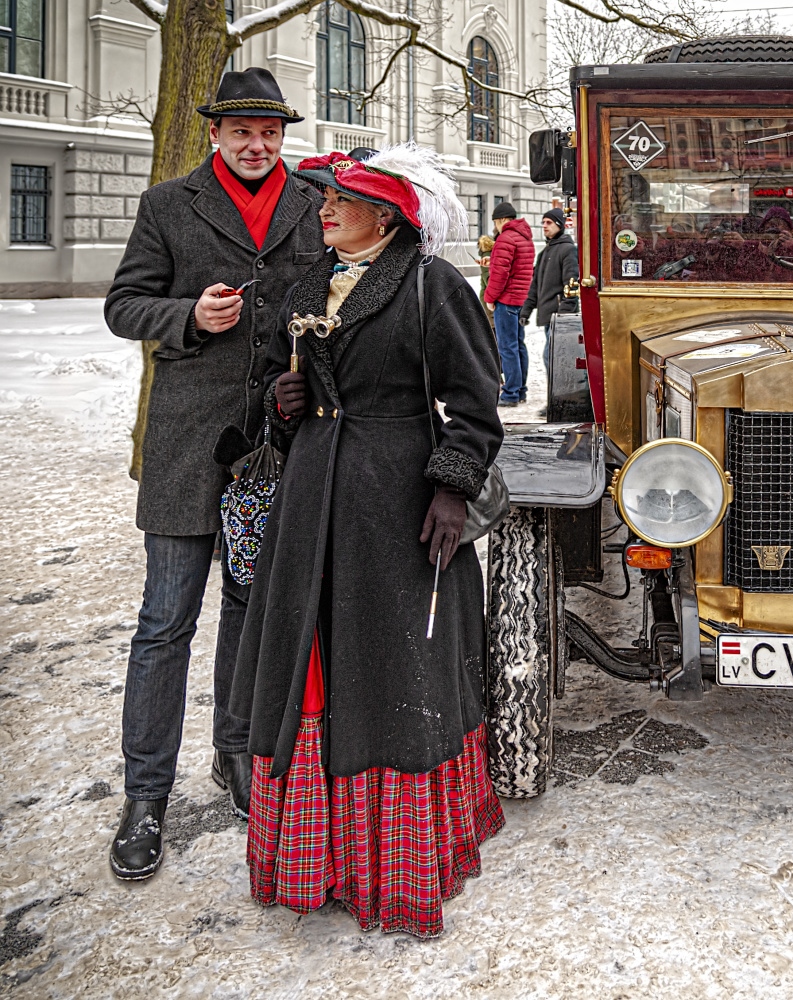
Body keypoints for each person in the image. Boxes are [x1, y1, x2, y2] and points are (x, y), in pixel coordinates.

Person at [230, 143, 506, 939]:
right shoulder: (308, 284)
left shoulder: (432, 285)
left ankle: (397, 864)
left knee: (392, 666)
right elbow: (298, 398)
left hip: (397, 504)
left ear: (383, 215)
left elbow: (476, 402)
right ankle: (319, 860)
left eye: (335, 202)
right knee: (314, 661)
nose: (319, 211)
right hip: (312, 498)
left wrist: (452, 487)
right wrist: (286, 403)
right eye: (322, 201)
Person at [103, 68, 323, 881]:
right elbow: (124, 304)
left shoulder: (313, 201)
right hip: (186, 445)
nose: (257, 145)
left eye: (269, 132)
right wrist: (186, 316)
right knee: (165, 623)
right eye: (242, 131)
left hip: (273, 446)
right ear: (216, 134)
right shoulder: (168, 204)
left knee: (246, 607)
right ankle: (145, 796)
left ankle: (235, 752)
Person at [482, 202, 535, 407]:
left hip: (506, 300)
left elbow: (500, 274)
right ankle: (520, 389)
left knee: (507, 347)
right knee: (518, 345)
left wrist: (490, 297)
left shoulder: (506, 238)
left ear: (502, 219)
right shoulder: (525, 237)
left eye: (496, 222)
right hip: (520, 298)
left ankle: (511, 392)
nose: (495, 227)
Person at [520, 207, 578, 376]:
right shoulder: (545, 252)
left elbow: (572, 283)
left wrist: (563, 316)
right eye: (543, 222)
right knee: (551, 361)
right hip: (549, 317)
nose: (544, 226)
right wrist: (526, 311)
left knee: (553, 360)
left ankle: (560, 401)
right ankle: (555, 401)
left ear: (559, 225)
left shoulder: (568, 250)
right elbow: (535, 285)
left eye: (549, 222)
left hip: (560, 318)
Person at [476, 232, 495, 309]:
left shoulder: (485, 257)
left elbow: (487, 277)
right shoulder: (493, 254)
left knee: (490, 319)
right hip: (490, 293)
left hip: (487, 294)